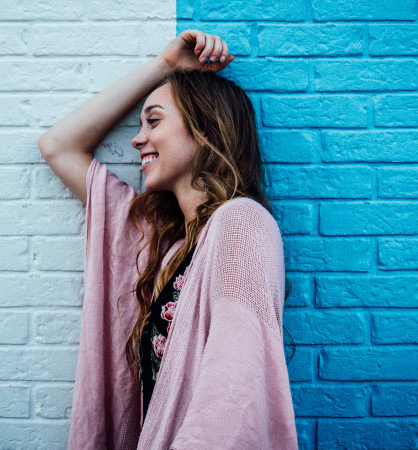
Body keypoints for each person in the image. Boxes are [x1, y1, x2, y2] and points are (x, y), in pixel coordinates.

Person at [39, 29, 298, 450]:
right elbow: (59, 146)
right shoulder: (157, 242)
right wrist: (165, 66)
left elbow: (234, 388)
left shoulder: (241, 223)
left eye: (153, 121)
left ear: (205, 127)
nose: (137, 139)